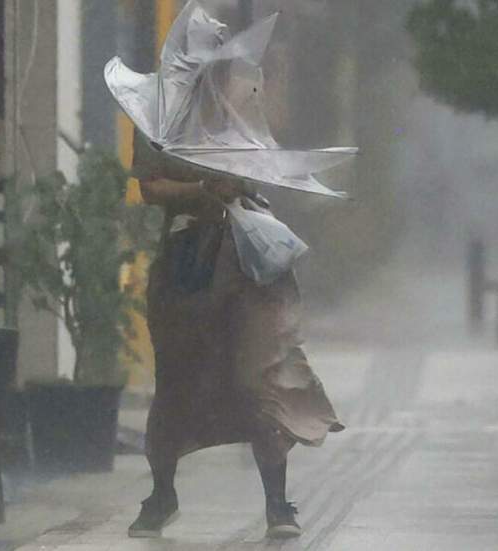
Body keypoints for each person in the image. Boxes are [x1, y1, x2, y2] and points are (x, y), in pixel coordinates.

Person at [126, 134, 344, 540]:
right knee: (177, 379)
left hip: (251, 262)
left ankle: (277, 502)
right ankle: (162, 495)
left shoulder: (236, 109)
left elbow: (264, 170)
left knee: (260, 374)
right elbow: (151, 187)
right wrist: (204, 189)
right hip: (189, 263)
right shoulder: (158, 118)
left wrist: (241, 181)